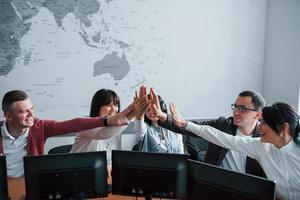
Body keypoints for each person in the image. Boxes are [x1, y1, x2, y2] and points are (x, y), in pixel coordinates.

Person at [164, 101, 300, 200]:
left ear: (284, 128)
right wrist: (186, 124)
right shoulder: (260, 147)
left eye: (264, 122)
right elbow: (222, 138)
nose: (260, 127)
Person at [0, 90, 138, 177]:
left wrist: (109, 120)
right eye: (24, 111)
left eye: (32, 108)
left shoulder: (39, 127)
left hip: (29, 182)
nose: (31, 114)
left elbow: (72, 124)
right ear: (8, 116)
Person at [153, 88, 266, 177]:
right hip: (215, 185)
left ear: (258, 114)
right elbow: (186, 126)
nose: (236, 112)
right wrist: (162, 116)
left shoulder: (265, 139)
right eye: (235, 107)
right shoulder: (222, 125)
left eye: (242, 108)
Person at [70, 89, 138, 177]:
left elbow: (112, 156)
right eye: (108, 105)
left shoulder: (115, 129)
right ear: (97, 106)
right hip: (76, 173)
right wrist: (133, 112)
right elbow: (103, 134)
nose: (114, 109)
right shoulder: (85, 124)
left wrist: (109, 164)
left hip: (97, 175)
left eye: (116, 105)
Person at [133, 86, 184, 154]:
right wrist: (139, 115)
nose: (152, 112)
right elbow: (139, 129)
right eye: (148, 110)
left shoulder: (174, 127)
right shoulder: (145, 128)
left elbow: (180, 151)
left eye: (154, 107)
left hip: (172, 164)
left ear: (162, 108)